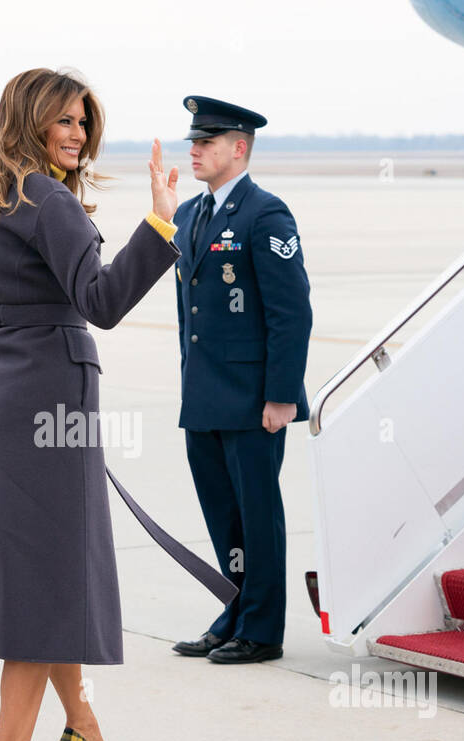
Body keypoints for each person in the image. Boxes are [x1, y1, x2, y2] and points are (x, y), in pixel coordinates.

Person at [0, 69, 236, 741]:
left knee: (54, 573)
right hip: (53, 398)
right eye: (63, 121)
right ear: (30, 120)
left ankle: (83, 728)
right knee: (48, 586)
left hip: (1, 398)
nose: (76, 134)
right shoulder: (48, 201)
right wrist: (162, 224)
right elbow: (103, 303)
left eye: (83, 122)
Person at [169, 96, 312, 665]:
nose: (195, 150)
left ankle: (262, 629)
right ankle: (233, 610)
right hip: (203, 395)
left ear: (239, 147)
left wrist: (282, 395)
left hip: (254, 401)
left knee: (257, 514)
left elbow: (290, 311)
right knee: (221, 515)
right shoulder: (187, 214)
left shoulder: (265, 214)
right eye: (194, 141)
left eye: (207, 141)